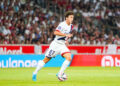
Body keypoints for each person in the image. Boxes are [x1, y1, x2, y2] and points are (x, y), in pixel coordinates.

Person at [32, 11, 74, 81]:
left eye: (72, 17)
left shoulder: (71, 26)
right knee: (45, 60)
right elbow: (56, 32)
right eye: (70, 17)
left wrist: (66, 40)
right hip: (55, 45)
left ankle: (60, 74)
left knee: (69, 57)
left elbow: (66, 34)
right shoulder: (62, 24)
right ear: (66, 18)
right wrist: (66, 35)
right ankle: (35, 73)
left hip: (62, 45)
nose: (72, 19)